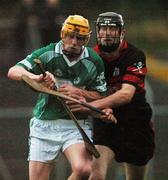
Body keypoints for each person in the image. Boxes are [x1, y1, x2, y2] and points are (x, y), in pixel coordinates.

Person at [8, 15, 115, 180]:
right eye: (70, 36)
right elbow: (14, 71)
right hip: (45, 124)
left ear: (86, 40)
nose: (73, 42)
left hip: (75, 125)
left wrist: (80, 93)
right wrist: (36, 78)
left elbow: (100, 94)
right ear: (62, 34)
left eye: (79, 38)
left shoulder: (94, 61)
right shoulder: (47, 53)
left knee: (84, 169)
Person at [68, 12, 155, 180]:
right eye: (103, 28)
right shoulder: (89, 58)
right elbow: (83, 94)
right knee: (96, 176)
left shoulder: (134, 56)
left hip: (135, 123)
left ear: (122, 33)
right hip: (105, 123)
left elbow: (125, 95)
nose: (106, 33)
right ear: (96, 32)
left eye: (112, 29)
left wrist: (93, 106)